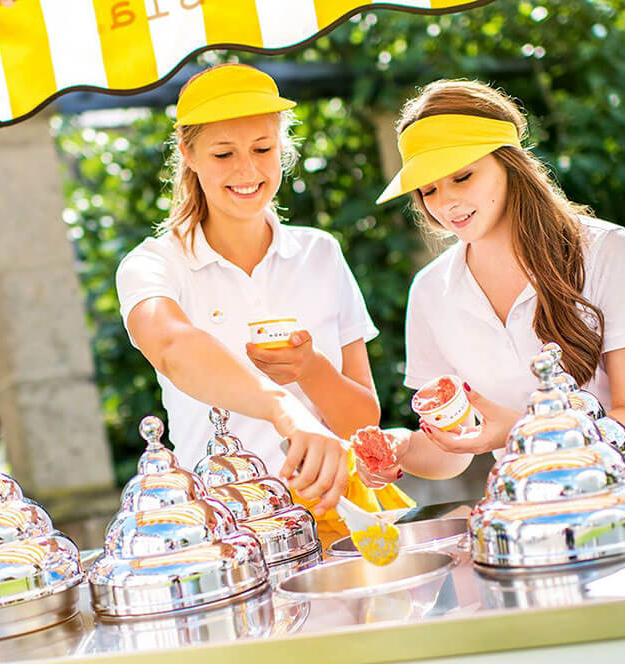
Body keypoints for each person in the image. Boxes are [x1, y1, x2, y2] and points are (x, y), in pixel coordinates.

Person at [365, 79, 625, 484]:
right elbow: (454, 451)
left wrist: (519, 432)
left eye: (462, 177)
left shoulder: (605, 249)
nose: (445, 203)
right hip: (541, 502)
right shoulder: (429, 290)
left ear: (508, 163)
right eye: (428, 189)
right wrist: (401, 449)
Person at [116, 64, 410, 526]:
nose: (247, 170)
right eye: (223, 154)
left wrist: (310, 370)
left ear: (282, 150)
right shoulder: (152, 265)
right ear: (187, 153)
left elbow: (361, 423)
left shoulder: (320, 252)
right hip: (230, 527)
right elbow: (173, 347)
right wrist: (284, 408)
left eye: (262, 148)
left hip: (340, 516)